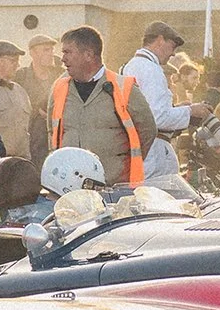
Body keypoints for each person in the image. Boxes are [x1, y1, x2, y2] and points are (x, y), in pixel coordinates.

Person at [49, 25, 160, 189]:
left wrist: (119, 164)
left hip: (113, 189)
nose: (62, 59)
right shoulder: (59, 88)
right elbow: (52, 132)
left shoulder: (124, 88)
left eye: (68, 52)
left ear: (88, 55)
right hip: (70, 189)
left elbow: (147, 129)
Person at [122, 21, 193, 185]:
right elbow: (159, 117)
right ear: (160, 40)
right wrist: (191, 111)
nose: (173, 54)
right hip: (153, 153)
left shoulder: (131, 66)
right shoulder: (151, 69)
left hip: (140, 150)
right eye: (172, 46)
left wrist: (178, 110)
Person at [0, 40, 35, 161]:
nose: (17, 65)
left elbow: (26, 131)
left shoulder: (21, 92)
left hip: (21, 162)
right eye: (13, 61)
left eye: (18, 61)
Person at [24, 33, 61, 168]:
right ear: (32, 53)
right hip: (32, 144)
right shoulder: (21, 78)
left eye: (51, 50)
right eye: (46, 50)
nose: (51, 54)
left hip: (58, 140)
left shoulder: (62, 76)